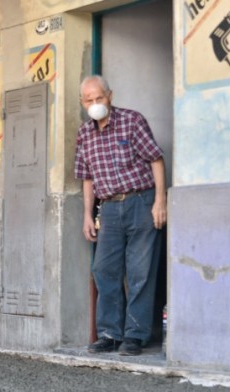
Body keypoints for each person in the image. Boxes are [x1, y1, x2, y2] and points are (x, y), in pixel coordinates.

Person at [74, 75, 167, 356]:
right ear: (82, 102)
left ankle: (135, 335)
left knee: (140, 271)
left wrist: (160, 201)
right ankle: (109, 333)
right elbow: (87, 178)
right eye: (88, 100)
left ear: (110, 96)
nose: (94, 104)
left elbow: (156, 159)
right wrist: (87, 215)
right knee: (104, 270)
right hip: (110, 208)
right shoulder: (84, 134)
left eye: (99, 98)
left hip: (141, 200)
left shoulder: (132, 121)